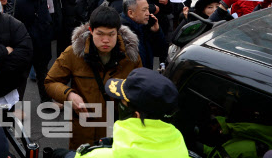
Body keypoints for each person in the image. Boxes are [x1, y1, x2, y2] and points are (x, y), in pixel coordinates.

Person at [45, 5, 142, 149]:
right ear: (90, 31)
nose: (105, 40)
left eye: (111, 34)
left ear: (118, 33)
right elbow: (51, 81)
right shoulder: (73, 54)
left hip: (118, 131)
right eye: (100, 34)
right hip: (84, 131)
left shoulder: (130, 57)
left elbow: (140, 89)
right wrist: (70, 95)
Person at [60, 67, 188, 157]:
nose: (119, 105)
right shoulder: (183, 151)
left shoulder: (97, 155)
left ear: (136, 115)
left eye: (122, 102)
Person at [13, 0, 53, 102]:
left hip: (42, 42)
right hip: (26, 45)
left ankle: (47, 101)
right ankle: (16, 107)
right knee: (21, 78)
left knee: (43, 74)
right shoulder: (18, 0)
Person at [120, 0, 166, 70]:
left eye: (148, 9)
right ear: (130, 13)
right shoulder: (122, 34)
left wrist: (156, 32)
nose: (148, 13)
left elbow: (160, 52)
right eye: (144, 10)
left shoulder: (145, 26)